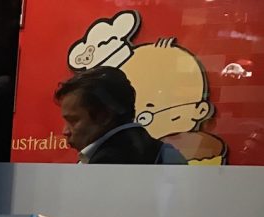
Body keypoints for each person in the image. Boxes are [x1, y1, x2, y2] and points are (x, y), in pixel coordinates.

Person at [55, 67, 187, 165]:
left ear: (104, 116)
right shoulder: (168, 156)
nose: (65, 131)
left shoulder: (101, 166)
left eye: (73, 120)